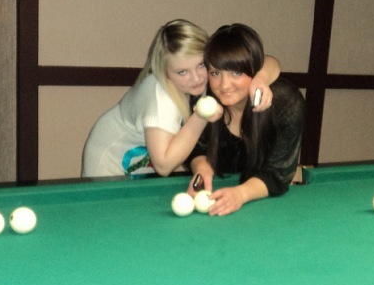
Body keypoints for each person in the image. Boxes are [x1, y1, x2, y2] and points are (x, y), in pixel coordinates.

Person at [81, 19, 279, 178]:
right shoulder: (160, 96)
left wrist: (260, 78)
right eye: (182, 72)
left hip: (139, 168)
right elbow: (164, 166)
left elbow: (269, 61)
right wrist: (201, 116)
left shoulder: (212, 75)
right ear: (164, 71)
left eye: (201, 65)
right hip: (109, 167)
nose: (196, 78)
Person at [187, 23, 305, 216]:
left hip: (266, 211)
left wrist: (241, 194)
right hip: (215, 197)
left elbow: (278, 173)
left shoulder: (286, 103)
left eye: (236, 72)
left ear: (256, 71)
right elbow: (197, 149)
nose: (224, 85)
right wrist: (202, 169)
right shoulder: (203, 98)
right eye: (215, 73)